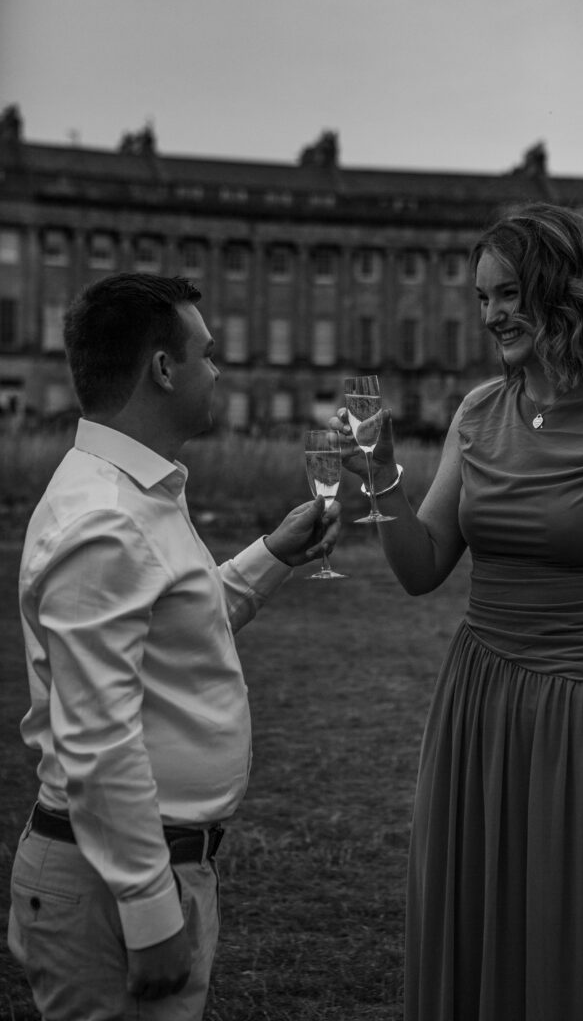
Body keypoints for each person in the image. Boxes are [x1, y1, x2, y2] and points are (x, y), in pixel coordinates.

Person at [333, 203, 583, 1020]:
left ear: (565, 290)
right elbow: (421, 567)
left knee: (567, 945)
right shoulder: (478, 410)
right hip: (474, 706)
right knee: (476, 927)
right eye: (481, 297)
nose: (490, 315)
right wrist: (380, 478)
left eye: (508, 293)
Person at [8, 273, 340, 1021]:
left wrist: (272, 554)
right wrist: (148, 907)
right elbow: (96, 735)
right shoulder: (105, 517)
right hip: (116, 883)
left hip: (151, 864)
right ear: (162, 368)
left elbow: (175, 627)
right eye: (207, 354)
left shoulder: (134, 492)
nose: (218, 371)